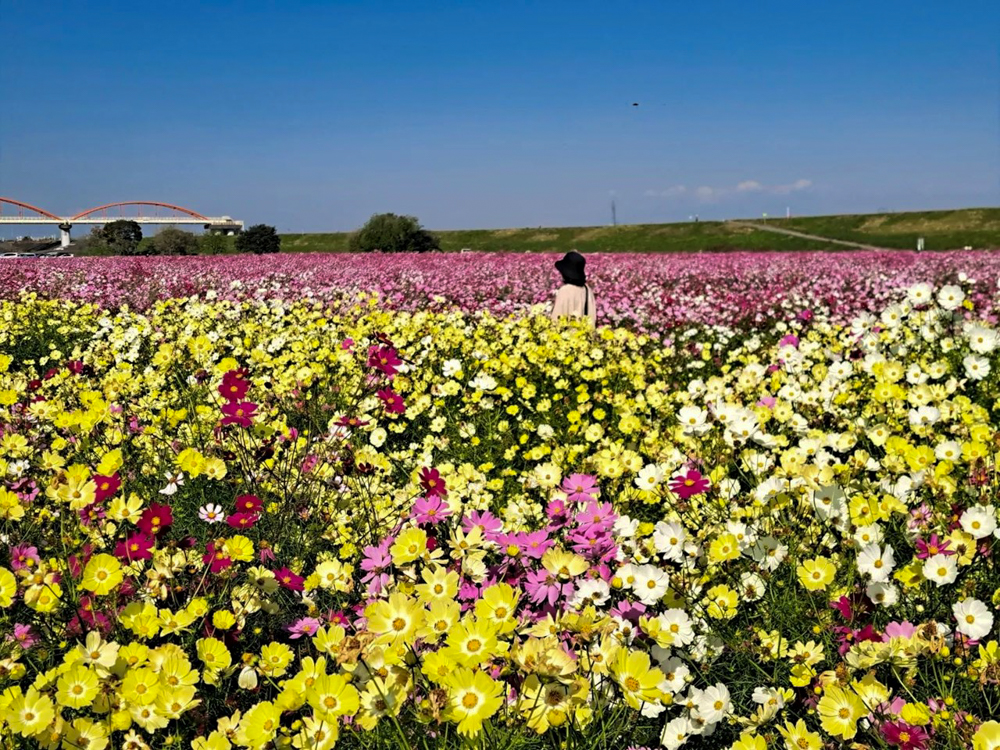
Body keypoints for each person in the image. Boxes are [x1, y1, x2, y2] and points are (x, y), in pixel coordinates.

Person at [550, 251, 596, 325]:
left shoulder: (564, 291)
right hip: (585, 335)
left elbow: (556, 320)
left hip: (568, 335)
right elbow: (592, 318)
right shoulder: (587, 289)